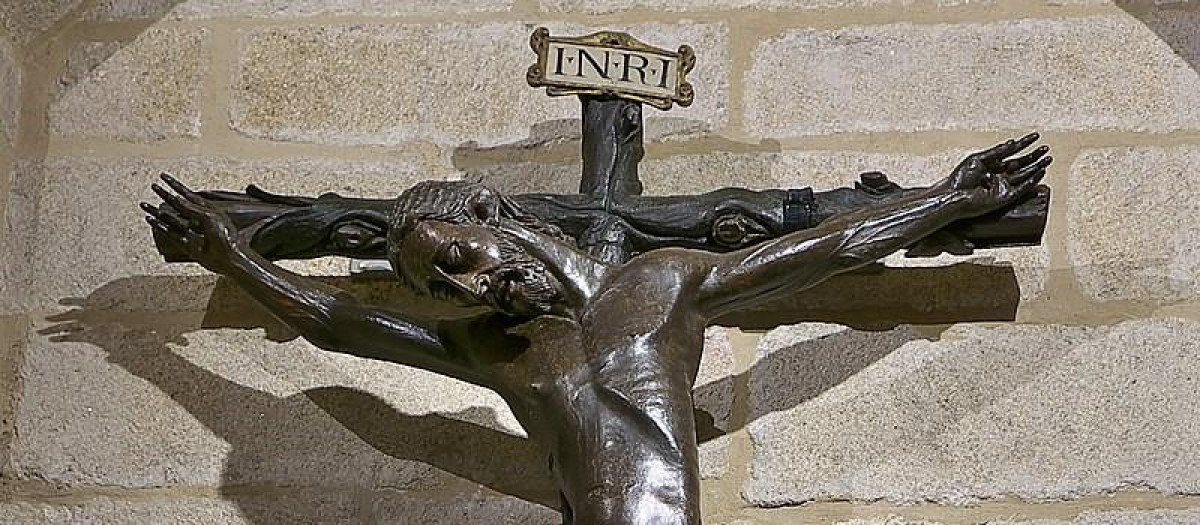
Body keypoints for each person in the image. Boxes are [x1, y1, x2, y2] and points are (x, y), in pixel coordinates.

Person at [143, 133, 1050, 525]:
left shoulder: (663, 283)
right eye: (442, 286)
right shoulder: (489, 348)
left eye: (457, 255)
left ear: (491, 213)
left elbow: (825, 247)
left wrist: (948, 200)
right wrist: (233, 258)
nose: (474, 284)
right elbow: (336, 322)